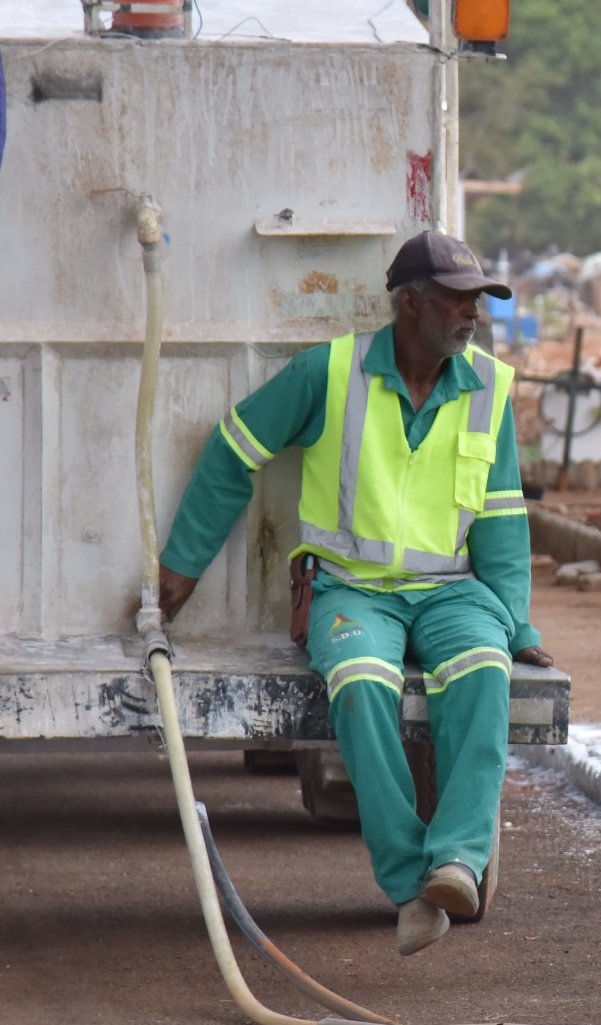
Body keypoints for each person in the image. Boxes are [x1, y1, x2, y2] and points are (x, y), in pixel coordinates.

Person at [156, 231, 553, 957]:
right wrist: (182, 565)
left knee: (484, 674)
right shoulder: (329, 374)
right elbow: (235, 448)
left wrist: (517, 622)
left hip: (450, 593)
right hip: (350, 589)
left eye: (479, 301)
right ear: (409, 304)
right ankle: (410, 885)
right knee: (363, 686)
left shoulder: (488, 387)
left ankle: (459, 863)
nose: (473, 315)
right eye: (456, 300)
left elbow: (500, 515)